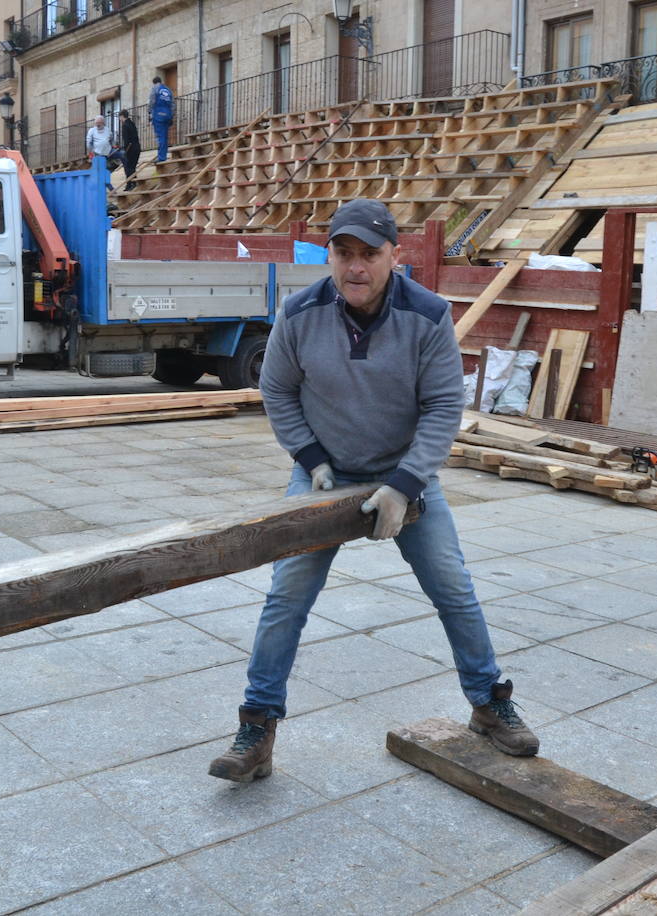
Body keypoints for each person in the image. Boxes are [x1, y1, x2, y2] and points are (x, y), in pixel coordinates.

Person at [207, 198, 540, 784]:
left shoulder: (428, 315)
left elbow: (443, 406)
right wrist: (310, 460)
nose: (355, 266)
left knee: (454, 588)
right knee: (287, 597)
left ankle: (489, 703)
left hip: (403, 470)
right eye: (343, 253)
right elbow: (278, 389)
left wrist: (404, 486)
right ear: (329, 254)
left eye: (370, 253)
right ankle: (257, 725)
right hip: (323, 473)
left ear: (395, 255)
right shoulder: (300, 311)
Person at [149, 75, 173, 163]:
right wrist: (171, 116)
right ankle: (164, 155)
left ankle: (161, 157)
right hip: (167, 115)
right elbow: (172, 104)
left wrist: (149, 114)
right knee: (165, 137)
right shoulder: (168, 90)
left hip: (158, 115)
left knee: (160, 137)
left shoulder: (155, 89)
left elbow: (152, 101)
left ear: (154, 82)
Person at [117, 110, 141, 190]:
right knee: (132, 167)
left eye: (119, 117)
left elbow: (126, 140)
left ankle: (131, 184)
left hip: (130, 149)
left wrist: (124, 150)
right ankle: (131, 184)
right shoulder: (132, 123)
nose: (119, 119)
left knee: (129, 167)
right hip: (137, 147)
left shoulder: (125, 125)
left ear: (122, 116)